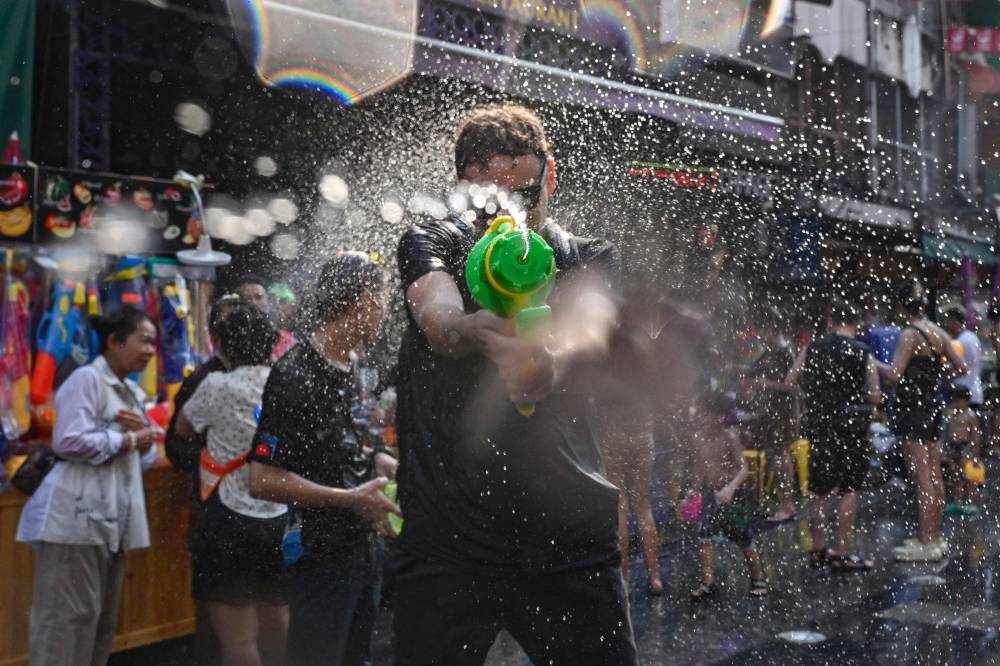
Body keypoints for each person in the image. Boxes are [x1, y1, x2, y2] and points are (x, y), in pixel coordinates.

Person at [393, 104, 635, 664]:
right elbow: (436, 312)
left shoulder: (585, 255)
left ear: (550, 177)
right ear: (461, 187)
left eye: (525, 195)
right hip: (446, 544)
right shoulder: (432, 239)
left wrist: (550, 356)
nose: (512, 215)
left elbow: (588, 325)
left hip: (568, 545)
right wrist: (469, 329)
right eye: (490, 199)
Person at [248, 252, 400, 666]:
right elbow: (261, 479)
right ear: (362, 301)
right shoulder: (295, 373)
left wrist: (380, 461)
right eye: (384, 299)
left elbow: (345, 443)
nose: (386, 313)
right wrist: (350, 499)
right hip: (319, 556)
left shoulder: (354, 365)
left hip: (363, 549)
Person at [16, 306, 161, 666]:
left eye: (153, 343)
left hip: (112, 524)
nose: (150, 350)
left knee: (98, 625)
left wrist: (141, 439)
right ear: (114, 341)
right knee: (64, 625)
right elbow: (68, 441)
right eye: (143, 341)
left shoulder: (130, 391)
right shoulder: (87, 379)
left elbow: (143, 456)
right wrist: (126, 439)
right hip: (74, 524)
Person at [174, 303, 289, 666]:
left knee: (239, 641)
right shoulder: (285, 382)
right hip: (277, 517)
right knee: (277, 623)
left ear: (223, 345)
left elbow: (182, 429)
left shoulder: (217, 385)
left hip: (228, 519)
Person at [164, 293, 241, 665]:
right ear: (214, 334)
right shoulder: (203, 380)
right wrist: (218, 461)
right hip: (215, 509)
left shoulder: (269, 374)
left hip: (263, 514)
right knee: (217, 609)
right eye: (228, 325)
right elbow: (174, 447)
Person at [786, 300, 880, 572]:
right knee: (849, 489)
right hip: (851, 428)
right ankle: (840, 552)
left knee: (819, 492)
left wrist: (815, 396)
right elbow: (874, 394)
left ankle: (817, 551)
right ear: (856, 323)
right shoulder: (863, 352)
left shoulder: (812, 348)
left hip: (819, 426)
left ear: (830, 322)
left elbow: (791, 381)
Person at [876, 281, 966, 562]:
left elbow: (894, 373)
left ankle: (926, 540)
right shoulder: (937, 332)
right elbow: (961, 367)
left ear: (903, 307)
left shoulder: (909, 335)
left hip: (911, 410)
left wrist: (869, 361)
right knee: (934, 474)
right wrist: (934, 381)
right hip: (931, 407)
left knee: (921, 476)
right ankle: (935, 538)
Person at [592, 294, 662, 595]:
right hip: (641, 430)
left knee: (619, 506)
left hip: (612, 432)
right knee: (643, 505)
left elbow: (594, 392)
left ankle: (621, 579)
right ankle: (655, 577)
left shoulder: (606, 347)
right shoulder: (645, 345)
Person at [688, 392, 769, 601]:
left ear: (721, 417)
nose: (703, 419)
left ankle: (758, 577)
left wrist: (731, 488)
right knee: (704, 537)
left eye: (708, 415)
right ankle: (708, 583)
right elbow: (699, 468)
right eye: (702, 415)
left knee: (744, 538)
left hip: (734, 495)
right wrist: (694, 489)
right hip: (711, 495)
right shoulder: (698, 439)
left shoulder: (730, 437)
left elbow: (745, 469)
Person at [747, 308, 798, 524]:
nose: (761, 337)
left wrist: (766, 384)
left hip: (784, 414)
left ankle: (786, 504)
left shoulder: (786, 353)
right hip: (773, 413)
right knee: (776, 455)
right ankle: (781, 501)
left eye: (762, 332)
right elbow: (755, 368)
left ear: (770, 331)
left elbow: (794, 388)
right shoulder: (772, 352)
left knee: (781, 456)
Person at [941, 385, 982, 517]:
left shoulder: (971, 416)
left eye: (958, 401)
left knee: (968, 478)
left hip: (966, 447)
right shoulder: (949, 413)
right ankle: (957, 503)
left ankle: (970, 503)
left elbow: (975, 436)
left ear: (966, 401)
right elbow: (945, 432)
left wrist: (975, 455)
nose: (956, 404)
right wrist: (944, 450)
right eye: (954, 401)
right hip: (953, 447)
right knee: (955, 476)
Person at [942, 306, 983, 409]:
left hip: (961, 394)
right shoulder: (972, 337)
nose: (945, 325)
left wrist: (945, 379)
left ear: (955, 322)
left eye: (947, 321)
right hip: (975, 392)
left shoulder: (959, 342)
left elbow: (962, 369)